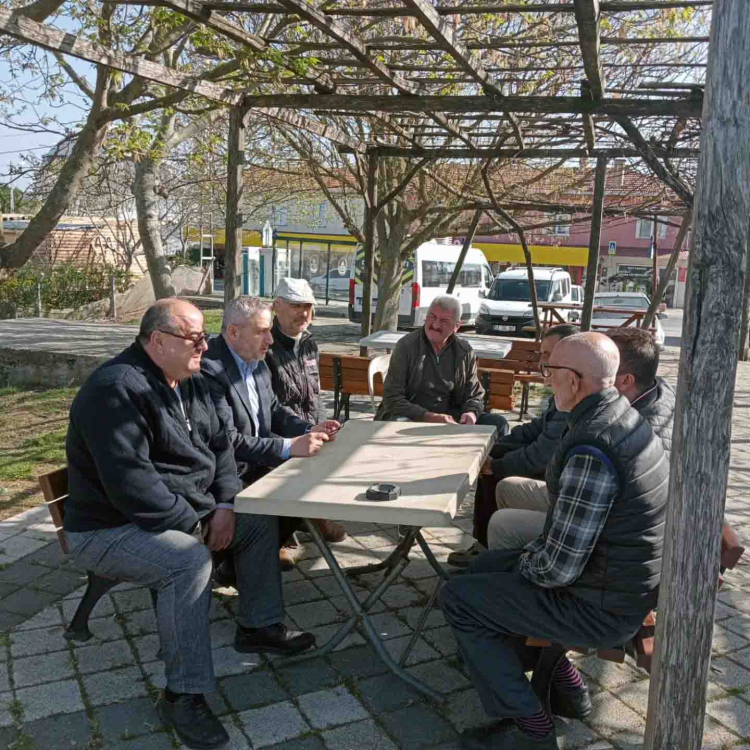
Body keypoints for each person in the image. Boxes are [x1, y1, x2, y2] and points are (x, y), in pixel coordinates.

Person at [64, 299, 315, 750]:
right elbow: (132, 486)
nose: (205, 345)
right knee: (188, 562)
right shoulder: (115, 391)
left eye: (204, 335)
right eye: (194, 337)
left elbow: (221, 448)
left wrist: (226, 505)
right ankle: (183, 695)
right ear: (158, 341)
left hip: (184, 512)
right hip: (108, 529)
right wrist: (197, 524)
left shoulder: (192, 379)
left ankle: (258, 626)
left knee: (256, 514)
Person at [441, 332, 669, 749]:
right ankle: (568, 689)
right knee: (482, 568)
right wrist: (517, 562)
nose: (545, 378)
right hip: (617, 583)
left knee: (459, 598)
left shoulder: (593, 446)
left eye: (550, 370)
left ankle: (531, 729)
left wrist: (522, 562)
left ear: (574, 381)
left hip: (604, 606)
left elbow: (557, 569)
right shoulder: (619, 416)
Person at [486, 325, 675, 551]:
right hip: (593, 503)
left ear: (626, 380)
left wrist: (497, 464)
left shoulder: (619, 429)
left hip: (609, 537)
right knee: (506, 487)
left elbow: (575, 539)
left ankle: (505, 567)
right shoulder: (626, 402)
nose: (548, 379)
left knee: (502, 524)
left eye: (607, 368)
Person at [201, 295, 340, 572]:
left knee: (313, 482)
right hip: (225, 473)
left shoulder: (256, 360)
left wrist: (308, 429)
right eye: (262, 331)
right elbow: (227, 440)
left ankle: (245, 562)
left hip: (258, 463)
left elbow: (275, 409)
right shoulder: (209, 369)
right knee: (298, 486)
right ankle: (235, 563)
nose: (270, 340)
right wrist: (289, 447)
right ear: (233, 332)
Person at [447, 324, 577, 568]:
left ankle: (486, 546)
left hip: (555, 477)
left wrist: (496, 464)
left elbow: (540, 455)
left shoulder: (574, 396)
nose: (542, 361)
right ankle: (484, 543)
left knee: (493, 471)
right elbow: (536, 428)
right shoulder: (562, 388)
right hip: (552, 468)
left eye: (548, 354)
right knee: (492, 455)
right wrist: (495, 446)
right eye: (541, 354)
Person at [266, 278, 347, 544]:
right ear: (277, 306)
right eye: (296, 306)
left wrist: (323, 425)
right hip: (280, 434)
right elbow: (271, 407)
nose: (303, 313)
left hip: (310, 428)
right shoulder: (266, 346)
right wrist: (305, 431)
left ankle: (310, 516)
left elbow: (315, 393)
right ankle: (285, 533)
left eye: (308, 306)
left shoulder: (310, 342)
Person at [375, 294, 509, 435]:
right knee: (399, 424)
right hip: (412, 417)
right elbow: (392, 399)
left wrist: (471, 412)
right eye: (432, 317)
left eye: (444, 321)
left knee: (498, 423)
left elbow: (475, 394)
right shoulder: (406, 347)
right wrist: (429, 417)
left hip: (452, 417)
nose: (435, 325)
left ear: (456, 326)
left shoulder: (464, 351)